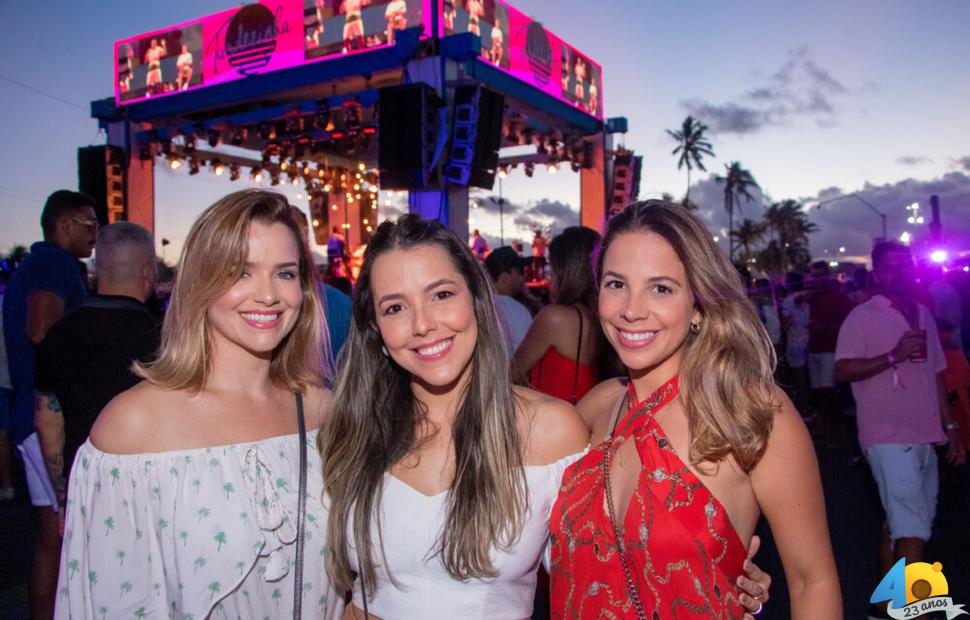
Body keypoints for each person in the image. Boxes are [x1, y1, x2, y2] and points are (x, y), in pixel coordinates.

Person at [55, 190, 341, 619]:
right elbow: (109, 602)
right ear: (200, 282)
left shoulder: (322, 410)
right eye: (241, 272)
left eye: (285, 273)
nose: (268, 295)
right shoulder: (133, 427)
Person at [552, 201, 840, 618]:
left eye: (661, 288)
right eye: (616, 284)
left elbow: (813, 581)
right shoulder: (597, 406)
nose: (632, 310)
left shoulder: (750, 411)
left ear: (699, 305)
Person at [320, 214, 591, 619]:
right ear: (375, 328)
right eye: (395, 307)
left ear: (476, 299)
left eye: (441, 295)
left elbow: (587, 593)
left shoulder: (552, 430)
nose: (423, 324)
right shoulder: (353, 428)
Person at [835, 241, 964, 616]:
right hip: (887, 436)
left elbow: (937, 374)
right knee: (914, 529)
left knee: (899, 521)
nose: (899, 272)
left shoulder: (922, 313)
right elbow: (842, 369)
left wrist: (951, 427)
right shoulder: (862, 317)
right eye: (890, 266)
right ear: (877, 273)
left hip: (924, 433)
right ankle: (913, 611)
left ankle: (885, 604)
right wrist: (893, 356)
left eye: (905, 265)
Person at [3, 189, 95, 619]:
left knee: (51, 533)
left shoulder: (38, 263)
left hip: (32, 412)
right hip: (46, 415)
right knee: (62, 533)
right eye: (89, 225)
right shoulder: (54, 262)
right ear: (64, 225)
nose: (95, 235)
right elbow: (41, 328)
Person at [34, 223, 160, 512]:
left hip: (86, 489)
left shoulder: (58, 335)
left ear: (95, 272)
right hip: (152, 493)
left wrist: (63, 495)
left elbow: (47, 423)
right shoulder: (166, 340)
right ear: (148, 272)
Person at [514, 226, 605, 405]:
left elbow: (512, 373)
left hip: (549, 427)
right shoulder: (603, 318)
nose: (549, 273)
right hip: (586, 423)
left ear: (564, 269)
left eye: (550, 265)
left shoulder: (555, 318)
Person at [806, 260, 853, 443]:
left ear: (827, 276)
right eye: (813, 276)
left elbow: (849, 326)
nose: (815, 279)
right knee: (817, 391)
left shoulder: (839, 298)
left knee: (828, 391)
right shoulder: (811, 297)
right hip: (814, 348)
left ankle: (834, 427)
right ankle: (824, 424)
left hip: (830, 349)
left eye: (819, 276)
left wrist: (825, 326)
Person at [484, 246, 533, 356]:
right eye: (520, 272)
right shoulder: (518, 312)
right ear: (504, 278)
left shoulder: (476, 306)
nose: (522, 278)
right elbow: (526, 362)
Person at [780, 271, 811, 416]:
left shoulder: (789, 300)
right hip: (809, 339)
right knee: (808, 375)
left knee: (799, 376)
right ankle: (808, 406)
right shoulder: (810, 296)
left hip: (796, 341)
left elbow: (785, 323)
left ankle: (803, 408)